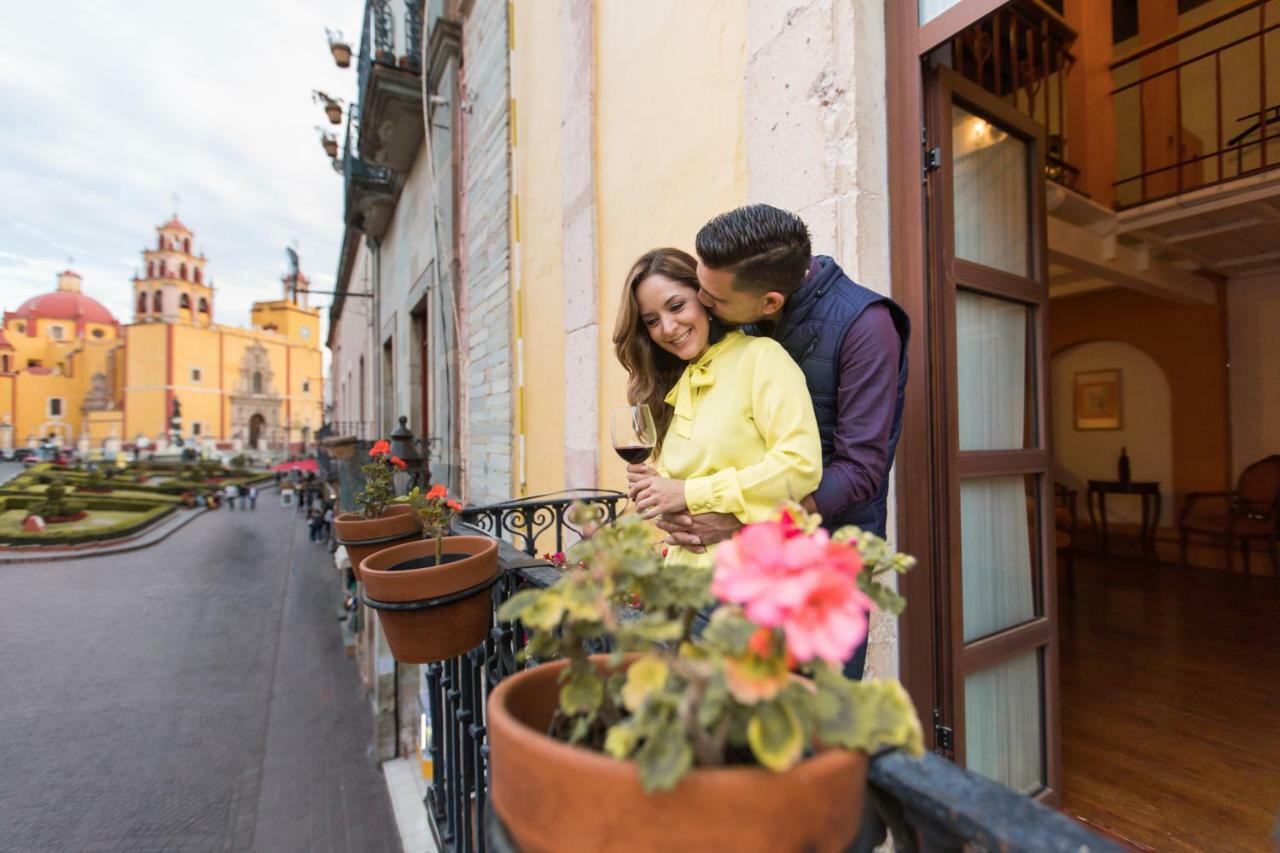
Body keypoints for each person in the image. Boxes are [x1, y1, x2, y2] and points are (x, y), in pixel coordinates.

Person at [652, 204, 910, 680]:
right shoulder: (747, 311)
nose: (704, 306)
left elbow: (861, 469)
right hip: (748, 565)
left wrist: (741, 520)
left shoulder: (868, 327)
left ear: (769, 303)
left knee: (809, 711)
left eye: (713, 300)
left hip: (826, 558)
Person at [615, 248, 821, 572]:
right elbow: (693, 477)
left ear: (703, 297)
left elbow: (800, 467)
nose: (668, 328)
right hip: (682, 589)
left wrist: (687, 493)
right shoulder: (679, 383)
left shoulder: (761, 358)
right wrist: (660, 490)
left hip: (751, 584)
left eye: (676, 306)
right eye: (652, 321)